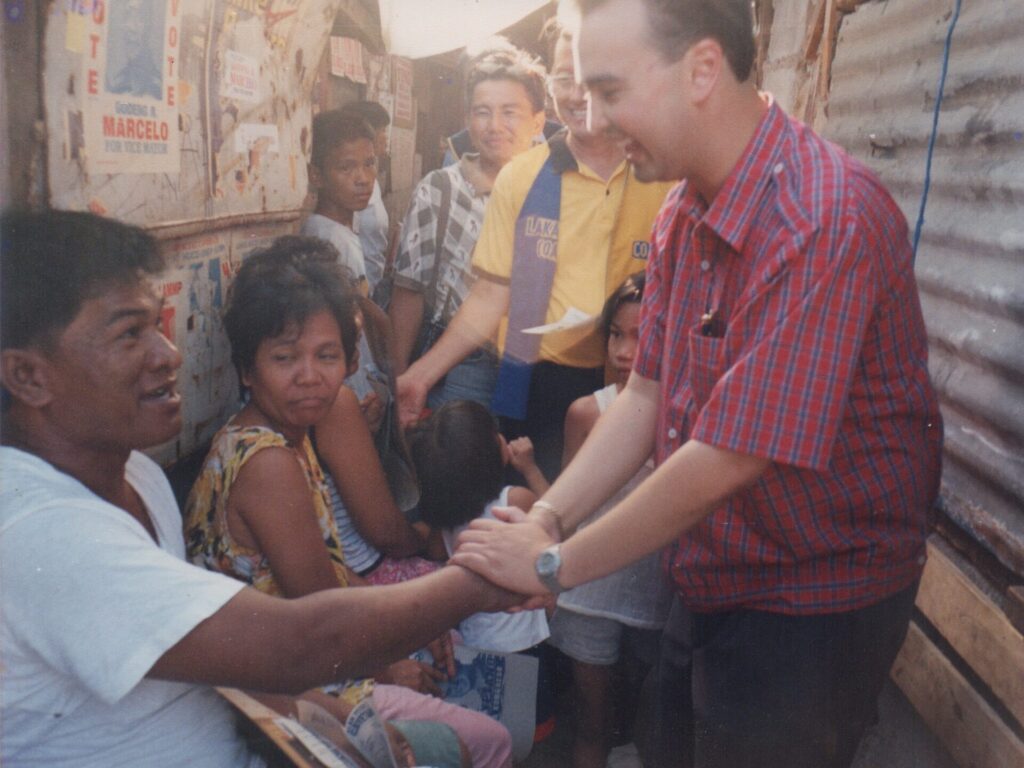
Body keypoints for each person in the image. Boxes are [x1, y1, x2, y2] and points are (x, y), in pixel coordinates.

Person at [452, 2, 944, 767]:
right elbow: (645, 395)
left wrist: (552, 565)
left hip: (814, 598)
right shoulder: (686, 209)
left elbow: (727, 455)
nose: (597, 118)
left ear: (703, 69)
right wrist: (548, 519)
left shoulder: (822, 218)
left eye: (612, 91)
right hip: (719, 568)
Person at [0, 209, 512, 767]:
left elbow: (215, 667)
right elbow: (303, 643)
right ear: (28, 376)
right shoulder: (40, 530)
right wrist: (483, 581)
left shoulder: (135, 474)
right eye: (129, 334)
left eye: (157, 325)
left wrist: (326, 718)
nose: (169, 356)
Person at [183, 236, 514, 767]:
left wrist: (416, 624)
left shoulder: (289, 434)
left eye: (327, 355)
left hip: (294, 663)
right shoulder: (265, 462)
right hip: (284, 687)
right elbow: (324, 621)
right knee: (491, 740)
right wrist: (389, 664)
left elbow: (329, 572)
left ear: (349, 359)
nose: (309, 375)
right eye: (284, 358)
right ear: (248, 369)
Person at [396, 21, 673, 481]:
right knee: (535, 507)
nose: (579, 93)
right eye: (566, 78)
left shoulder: (664, 170)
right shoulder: (522, 176)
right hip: (539, 382)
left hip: (635, 380)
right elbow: (491, 294)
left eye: (595, 76)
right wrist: (421, 375)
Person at [548, 273, 673, 768]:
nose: (624, 350)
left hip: (656, 591)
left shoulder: (682, 420)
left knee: (649, 723)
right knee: (592, 722)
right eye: (616, 335)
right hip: (590, 594)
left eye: (641, 336)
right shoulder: (586, 413)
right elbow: (563, 510)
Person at [388, 41, 547, 413]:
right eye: (482, 112)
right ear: (466, 119)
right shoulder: (440, 189)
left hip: (537, 371)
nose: (495, 126)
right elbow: (408, 291)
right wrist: (397, 377)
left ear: (537, 121)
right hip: (459, 369)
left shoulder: (553, 191)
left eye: (510, 112)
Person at [407, 400, 550, 653]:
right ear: (494, 454)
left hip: (477, 640)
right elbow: (555, 518)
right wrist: (530, 469)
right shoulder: (513, 502)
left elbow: (437, 552)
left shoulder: (446, 522)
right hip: (524, 637)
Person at [301, 110, 379, 295]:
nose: (364, 179)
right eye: (346, 168)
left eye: (369, 164)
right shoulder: (338, 242)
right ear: (316, 175)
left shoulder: (315, 227)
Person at [343, 101, 393, 300]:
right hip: (358, 295)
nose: (385, 137)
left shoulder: (371, 179)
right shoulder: (353, 184)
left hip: (373, 286)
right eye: (382, 130)